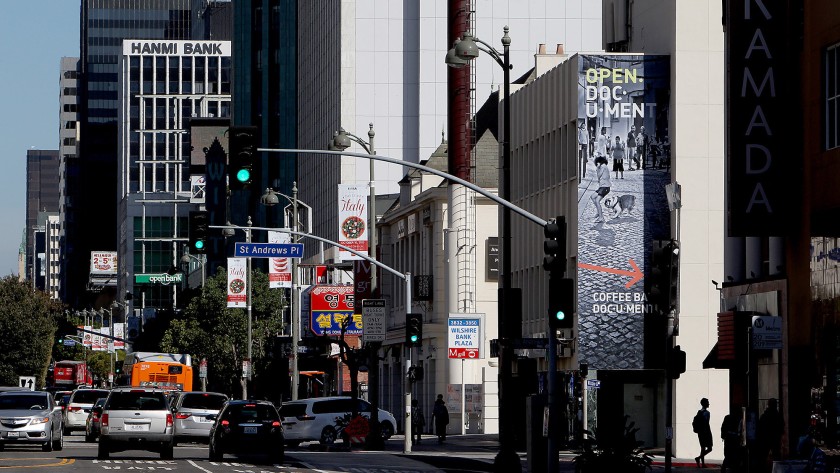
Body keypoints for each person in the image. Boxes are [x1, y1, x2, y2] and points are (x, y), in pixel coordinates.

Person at [758, 399, 784, 463]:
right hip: (775, 438)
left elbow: (760, 426)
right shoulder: (778, 415)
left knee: (763, 456)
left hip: (765, 438)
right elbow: (782, 425)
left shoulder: (765, 415)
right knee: (776, 455)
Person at [589, 156, 611, 223]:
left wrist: (598, 168)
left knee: (597, 201)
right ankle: (599, 212)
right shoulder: (603, 166)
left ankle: (601, 218)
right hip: (603, 187)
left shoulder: (603, 166)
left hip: (605, 187)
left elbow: (599, 175)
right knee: (592, 197)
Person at [721, 408, 744, 473]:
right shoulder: (740, 418)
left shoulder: (727, 417)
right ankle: (733, 468)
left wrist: (723, 436)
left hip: (728, 437)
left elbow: (723, 427)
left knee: (727, 454)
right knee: (735, 454)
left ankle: (724, 468)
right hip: (735, 438)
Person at [694, 398, 713, 468]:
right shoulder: (707, 413)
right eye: (707, 402)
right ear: (705, 404)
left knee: (702, 448)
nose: (709, 404)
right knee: (710, 448)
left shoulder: (699, 412)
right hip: (706, 432)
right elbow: (706, 423)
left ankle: (702, 463)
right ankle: (699, 459)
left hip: (700, 433)